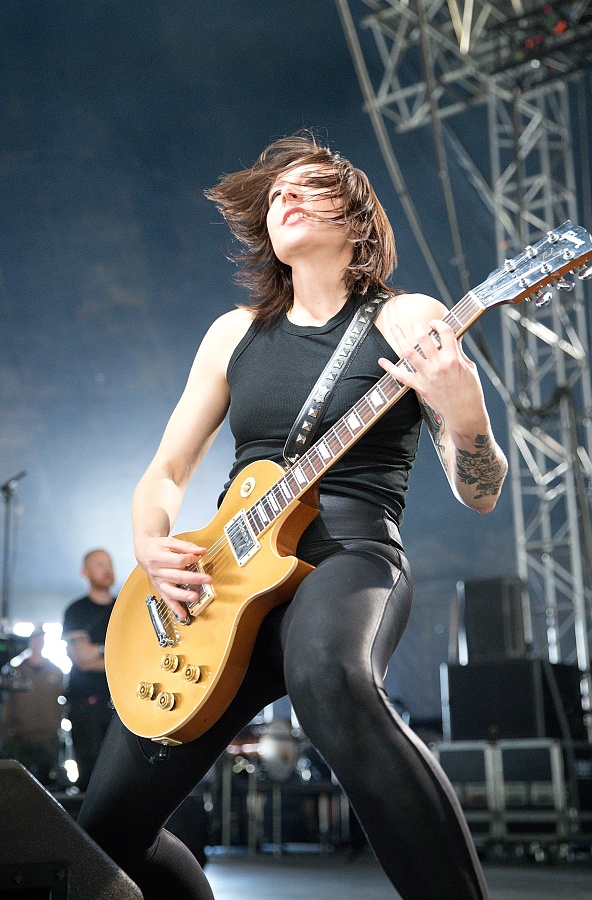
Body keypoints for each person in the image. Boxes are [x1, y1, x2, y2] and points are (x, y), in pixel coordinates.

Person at [78, 134, 508, 899]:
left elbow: (481, 490)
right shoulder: (233, 333)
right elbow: (166, 473)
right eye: (277, 192)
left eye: (310, 185)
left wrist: (466, 412)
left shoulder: (408, 316)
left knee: (329, 678)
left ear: (357, 217)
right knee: (103, 837)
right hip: (222, 581)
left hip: (347, 552)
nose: (286, 196)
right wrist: (150, 543)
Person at [63, 548, 116, 789]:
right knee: (89, 777)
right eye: (99, 564)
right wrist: (113, 650)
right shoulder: (76, 611)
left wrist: (96, 649)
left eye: (109, 564)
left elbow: (135, 656)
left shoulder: (124, 609)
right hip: (85, 706)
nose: (107, 570)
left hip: (120, 706)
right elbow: (82, 659)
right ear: (85, 572)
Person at [0, 627, 64, 786]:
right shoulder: (14, 672)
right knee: (20, 783)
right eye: (35, 637)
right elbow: (7, 706)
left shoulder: (56, 672)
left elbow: (61, 702)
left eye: (41, 638)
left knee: (49, 782)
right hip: (21, 737)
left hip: (48, 737)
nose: (38, 642)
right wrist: (6, 736)